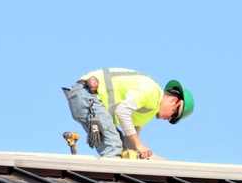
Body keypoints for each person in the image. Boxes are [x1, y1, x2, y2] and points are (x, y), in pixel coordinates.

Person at [64, 68, 193, 159]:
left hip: (90, 99)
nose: (169, 119)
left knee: (122, 151)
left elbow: (129, 143)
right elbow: (122, 111)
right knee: (113, 147)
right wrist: (139, 144)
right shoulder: (151, 90)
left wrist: (155, 159)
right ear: (174, 100)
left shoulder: (149, 111)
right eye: (174, 115)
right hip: (87, 94)